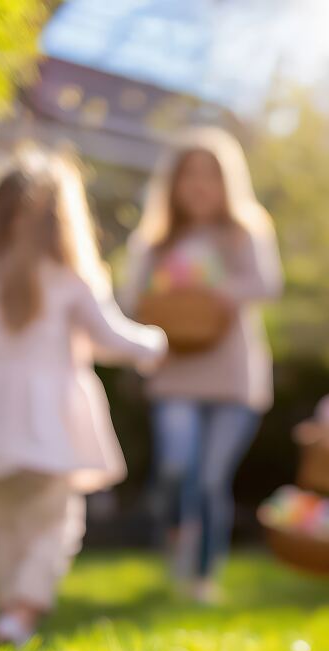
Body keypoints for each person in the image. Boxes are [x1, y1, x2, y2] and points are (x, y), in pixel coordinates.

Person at [0, 152, 167, 645]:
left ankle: (9, 611)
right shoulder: (71, 277)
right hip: (49, 420)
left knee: (7, 519)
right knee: (56, 521)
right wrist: (157, 343)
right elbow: (113, 339)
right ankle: (20, 613)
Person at [121, 127, 283, 601]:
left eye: (209, 175)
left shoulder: (245, 231)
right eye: (189, 174)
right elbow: (132, 301)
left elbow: (267, 286)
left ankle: (203, 577)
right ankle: (176, 531)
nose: (198, 185)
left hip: (233, 375)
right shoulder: (154, 243)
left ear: (228, 182)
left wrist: (220, 292)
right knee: (176, 465)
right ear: (173, 183)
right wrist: (167, 298)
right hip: (175, 373)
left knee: (212, 478)